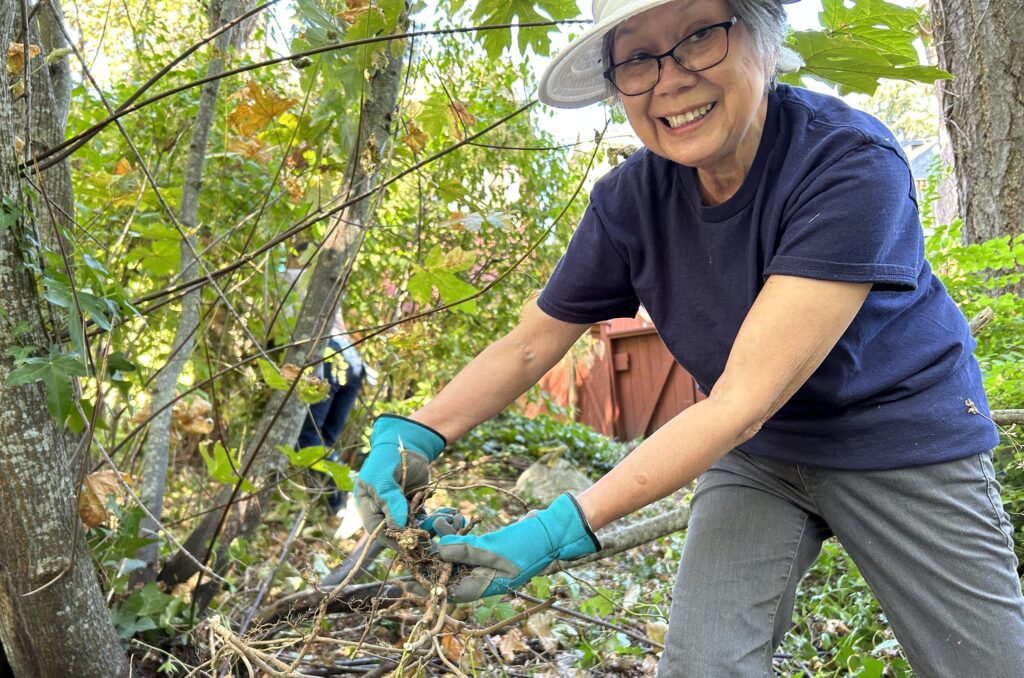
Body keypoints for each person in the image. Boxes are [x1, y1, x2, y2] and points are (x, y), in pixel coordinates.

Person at [355, 0, 1024, 674]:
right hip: (757, 456)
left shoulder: (848, 163)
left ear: (764, 44)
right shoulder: (630, 201)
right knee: (704, 665)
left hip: (900, 438)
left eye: (699, 37)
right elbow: (533, 342)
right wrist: (413, 434)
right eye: (638, 58)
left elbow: (742, 400)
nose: (669, 79)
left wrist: (554, 532)